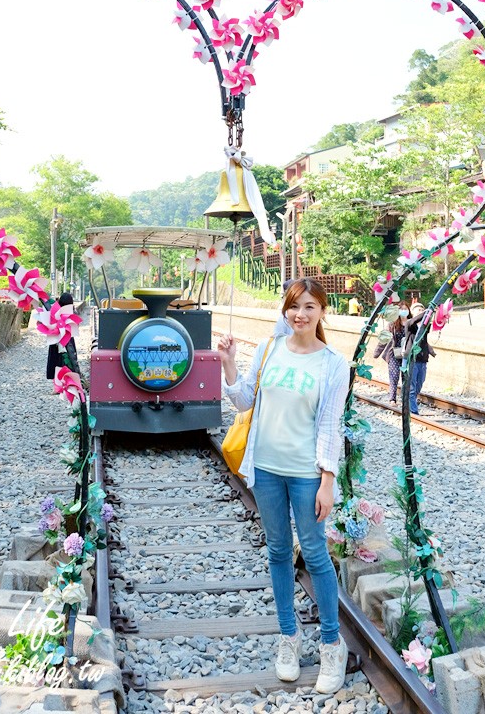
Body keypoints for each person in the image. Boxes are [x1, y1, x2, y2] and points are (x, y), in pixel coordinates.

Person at [217, 279, 349, 694]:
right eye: (294, 307)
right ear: (285, 311)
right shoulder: (270, 348)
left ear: (322, 311)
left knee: (314, 554)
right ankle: (289, 637)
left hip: (306, 474)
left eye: (309, 307)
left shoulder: (332, 364)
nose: (301, 315)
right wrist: (229, 362)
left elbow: (330, 427)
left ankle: (331, 644)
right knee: (277, 552)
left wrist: (328, 482)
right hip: (267, 471)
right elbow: (241, 401)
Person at [372, 300, 410, 402]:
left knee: (406, 377)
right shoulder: (392, 324)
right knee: (394, 375)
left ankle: (405, 399)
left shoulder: (411, 323)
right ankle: (392, 399)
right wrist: (377, 352)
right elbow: (384, 339)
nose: (403, 311)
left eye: (405, 309)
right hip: (394, 353)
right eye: (401, 309)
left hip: (407, 354)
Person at [405, 301, 435, 414]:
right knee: (412, 386)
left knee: (419, 383)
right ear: (412, 312)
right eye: (418, 310)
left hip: (422, 359)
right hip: (412, 359)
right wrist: (428, 311)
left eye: (422, 310)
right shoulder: (409, 324)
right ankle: (413, 410)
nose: (420, 312)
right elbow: (413, 321)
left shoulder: (425, 326)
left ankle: (409, 402)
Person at [46, 292, 77, 379]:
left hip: (55, 337)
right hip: (68, 338)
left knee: (55, 360)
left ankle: (56, 384)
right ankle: (68, 381)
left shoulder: (55, 311)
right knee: (68, 359)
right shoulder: (72, 313)